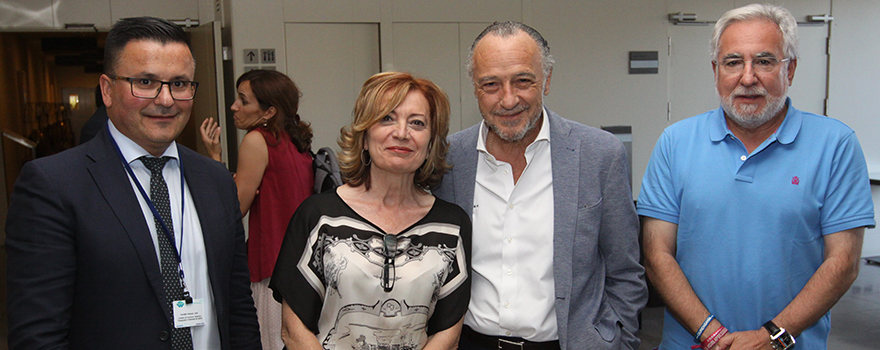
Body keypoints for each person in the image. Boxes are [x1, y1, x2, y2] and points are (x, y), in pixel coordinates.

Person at [5, 17, 262, 350]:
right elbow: (37, 336)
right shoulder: (54, 185)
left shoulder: (215, 179)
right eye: (145, 81)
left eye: (180, 84)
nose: (166, 99)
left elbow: (237, 305)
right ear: (107, 90)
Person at [638, 4, 875, 350]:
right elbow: (657, 255)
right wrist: (712, 335)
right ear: (716, 70)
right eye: (733, 62)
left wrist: (773, 337)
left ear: (789, 69)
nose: (747, 77)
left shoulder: (835, 145)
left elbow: (843, 262)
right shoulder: (675, 143)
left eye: (764, 61)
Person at [432, 21, 646, 350]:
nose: (508, 99)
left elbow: (625, 271)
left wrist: (618, 341)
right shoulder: (447, 160)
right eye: (491, 84)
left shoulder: (600, 155)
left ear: (546, 81)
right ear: (475, 88)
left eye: (523, 81)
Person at [269, 71, 471, 350]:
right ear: (364, 136)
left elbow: (448, 334)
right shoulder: (319, 216)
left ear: (430, 143)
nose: (402, 133)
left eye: (417, 123)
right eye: (387, 118)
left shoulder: (452, 226)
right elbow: (293, 330)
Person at [200, 69, 315, 350]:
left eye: (243, 100)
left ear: (269, 111)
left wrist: (214, 159)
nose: (234, 107)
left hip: (271, 265)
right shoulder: (295, 142)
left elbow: (234, 208)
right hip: (300, 263)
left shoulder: (257, 140)